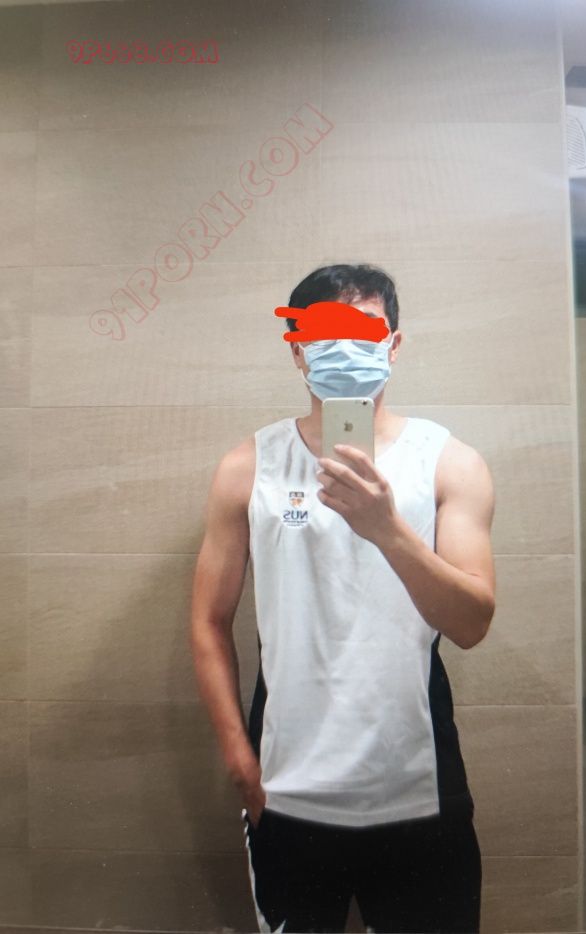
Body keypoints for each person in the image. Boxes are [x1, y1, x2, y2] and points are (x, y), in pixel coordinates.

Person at [190, 264, 496, 933]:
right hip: (287, 787)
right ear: (296, 349)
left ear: (394, 344)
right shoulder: (249, 467)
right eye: (325, 334)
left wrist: (387, 529)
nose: (345, 349)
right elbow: (209, 622)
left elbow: (472, 623)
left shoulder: (449, 463)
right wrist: (239, 758)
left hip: (418, 786)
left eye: (363, 331)